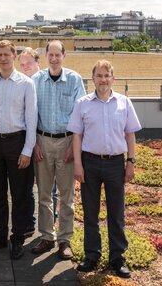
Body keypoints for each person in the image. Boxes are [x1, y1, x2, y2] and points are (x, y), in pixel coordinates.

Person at [67, 59, 141, 278]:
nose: (103, 80)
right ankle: (92, 256)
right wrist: (78, 165)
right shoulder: (83, 103)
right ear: (93, 79)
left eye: (107, 75)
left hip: (116, 164)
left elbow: (130, 134)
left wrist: (131, 162)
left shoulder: (124, 102)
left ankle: (117, 258)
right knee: (90, 213)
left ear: (113, 78)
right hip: (89, 163)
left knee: (116, 213)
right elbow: (77, 136)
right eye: (99, 76)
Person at [0, 40, 37, 260]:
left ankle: (18, 239)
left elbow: (31, 119)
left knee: (20, 194)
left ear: (14, 55)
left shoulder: (25, 84)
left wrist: (27, 150)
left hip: (17, 143)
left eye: (6, 54)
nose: (3, 58)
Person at [31, 40, 85, 260]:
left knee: (67, 197)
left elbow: (81, 116)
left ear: (64, 55)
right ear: (45, 55)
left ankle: (65, 240)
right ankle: (46, 236)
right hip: (42, 141)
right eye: (50, 55)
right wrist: (33, 143)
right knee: (44, 195)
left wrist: (75, 146)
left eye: (58, 55)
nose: (54, 59)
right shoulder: (35, 80)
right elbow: (29, 115)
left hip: (66, 143)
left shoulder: (74, 80)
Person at [18, 47, 40, 238]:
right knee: (26, 186)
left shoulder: (42, 82)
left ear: (37, 63)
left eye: (29, 64)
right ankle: (29, 222)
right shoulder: (20, 83)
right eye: (22, 64)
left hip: (43, 141)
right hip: (25, 142)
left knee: (49, 188)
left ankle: (49, 226)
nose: (25, 68)